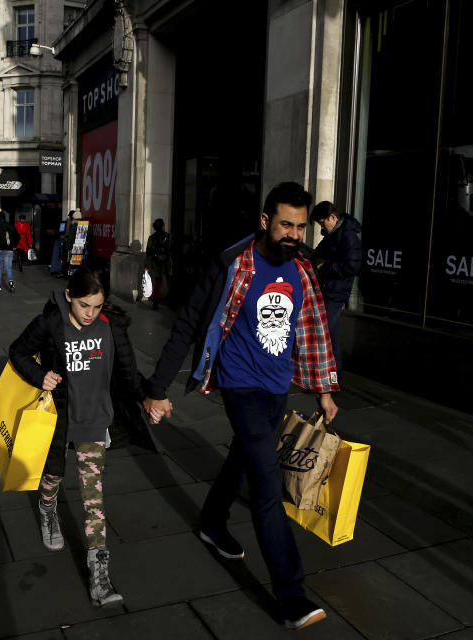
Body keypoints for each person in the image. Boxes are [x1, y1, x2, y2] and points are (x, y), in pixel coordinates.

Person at [142, 182, 339, 632]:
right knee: (268, 489)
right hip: (240, 384)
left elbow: (312, 331)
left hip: (277, 387)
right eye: (285, 224)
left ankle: (212, 521)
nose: (293, 234)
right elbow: (188, 324)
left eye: (300, 226)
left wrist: (324, 390)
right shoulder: (233, 263)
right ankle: (291, 597)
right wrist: (157, 388)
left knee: (243, 460)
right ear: (266, 221)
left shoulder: (303, 269)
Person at [8, 268, 146, 608]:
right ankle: (47, 508)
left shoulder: (112, 326)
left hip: (95, 423)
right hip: (59, 418)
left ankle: (99, 575)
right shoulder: (51, 323)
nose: (90, 314)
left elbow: (128, 371)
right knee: (52, 475)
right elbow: (18, 352)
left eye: (98, 307)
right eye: (84, 305)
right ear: (69, 295)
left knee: (93, 501)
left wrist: (150, 398)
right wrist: (41, 376)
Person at [309, 201, 361, 370]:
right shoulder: (333, 234)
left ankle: (333, 376)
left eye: (322, 223)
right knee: (326, 334)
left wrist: (325, 267)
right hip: (328, 290)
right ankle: (327, 375)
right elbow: (316, 255)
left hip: (337, 293)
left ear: (332, 217)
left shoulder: (348, 236)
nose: (321, 229)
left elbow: (352, 266)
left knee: (328, 334)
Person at [145, 218, 172, 309]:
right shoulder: (168, 236)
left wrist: (147, 265)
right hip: (167, 262)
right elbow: (171, 250)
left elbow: (148, 252)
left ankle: (155, 302)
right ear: (163, 226)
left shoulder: (152, 238)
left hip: (157, 263)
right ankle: (171, 302)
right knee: (169, 282)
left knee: (158, 283)